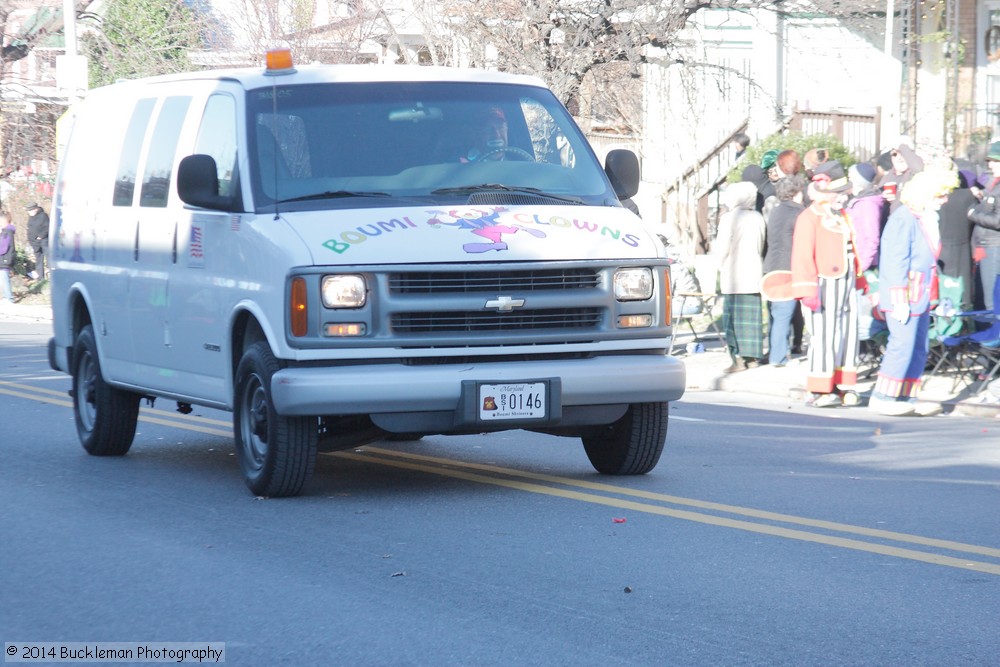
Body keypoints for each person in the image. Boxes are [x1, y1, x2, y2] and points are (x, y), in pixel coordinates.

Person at [869, 166, 958, 416]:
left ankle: (905, 395)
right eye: (941, 194)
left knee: (918, 346)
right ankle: (882, 395)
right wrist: (898, 299)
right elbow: (895, 261)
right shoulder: (903, 218)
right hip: (905, 294)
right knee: (902, 343)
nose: (945, 199)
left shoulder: (926, 217)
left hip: (921, 294)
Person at [791, 160, 862, 407]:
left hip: (847, 282)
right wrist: (806, 289)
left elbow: (854, 250)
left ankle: (846, 384)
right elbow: (801, 255)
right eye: (836, 194)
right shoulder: (808, 217)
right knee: (823, 335)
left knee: (848, 334)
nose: (840, 198)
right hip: (822, 284)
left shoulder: (842, 216)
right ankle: (821, 389)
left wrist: (860, 279)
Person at [715, 180, 766, 373]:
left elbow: (722, 249)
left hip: (733, 275)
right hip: (753, 273)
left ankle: (737, 359)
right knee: (751, 319)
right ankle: (752, 357)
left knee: (733, 319)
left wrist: (719, 266)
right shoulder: (757, 217)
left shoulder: (729, 218)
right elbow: (761, 245)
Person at [761, 175, 806, 367]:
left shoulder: (776, 211)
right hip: (788, 269)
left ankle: (777, 350)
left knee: (775, 313)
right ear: (796, 192)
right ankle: (777, 357)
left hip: (770, 267)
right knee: (783, 314)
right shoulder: (800, 214)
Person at [967, 141, 1000, 313]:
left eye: (996, 161)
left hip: (994, 247)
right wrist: (982, 198)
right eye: (990, 160)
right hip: (987, 246)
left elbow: (998, 221)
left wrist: (973, 214)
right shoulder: (994, 184)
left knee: (992, 299)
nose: (991, 164)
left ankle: (994, 335)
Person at [26, 202, 49, 281]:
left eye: (30, 210)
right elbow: (30, 229)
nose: (29, 212)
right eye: (28, 211)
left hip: (44, 241)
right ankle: (40, 278)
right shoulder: (30, 218)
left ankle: (52, 276)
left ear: (36, 209)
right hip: (34, 243)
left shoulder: (43, 216)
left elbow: (47, 227)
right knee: (39, 260)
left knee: (48, 257)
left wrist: (41, 236)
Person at [0, 211, 15, 305]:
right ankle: (6, 296)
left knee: (4, 278)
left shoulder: (7, 232)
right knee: (3, 278)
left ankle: (9, 298)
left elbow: (3, 247)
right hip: (5, 258)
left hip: (4, 258)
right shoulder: (6, 231)